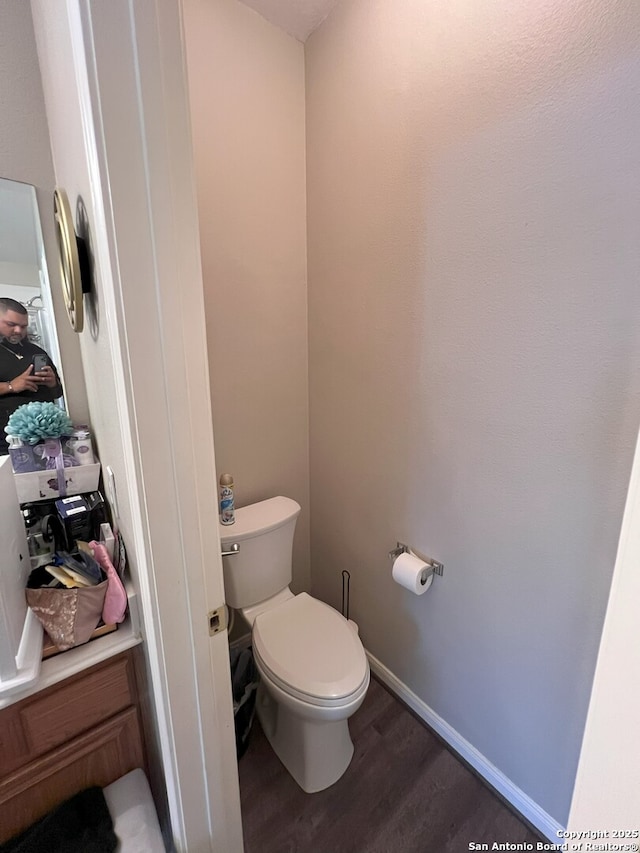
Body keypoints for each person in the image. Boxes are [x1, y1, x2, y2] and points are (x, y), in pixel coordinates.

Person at [0, 297, 63, 454]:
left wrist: (52, 384)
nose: (18, 331)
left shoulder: (36, 351)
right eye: (11, 325)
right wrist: (11, 386)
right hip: (6, 442)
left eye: (23, 326)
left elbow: (58, 392)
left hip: (45, 438)